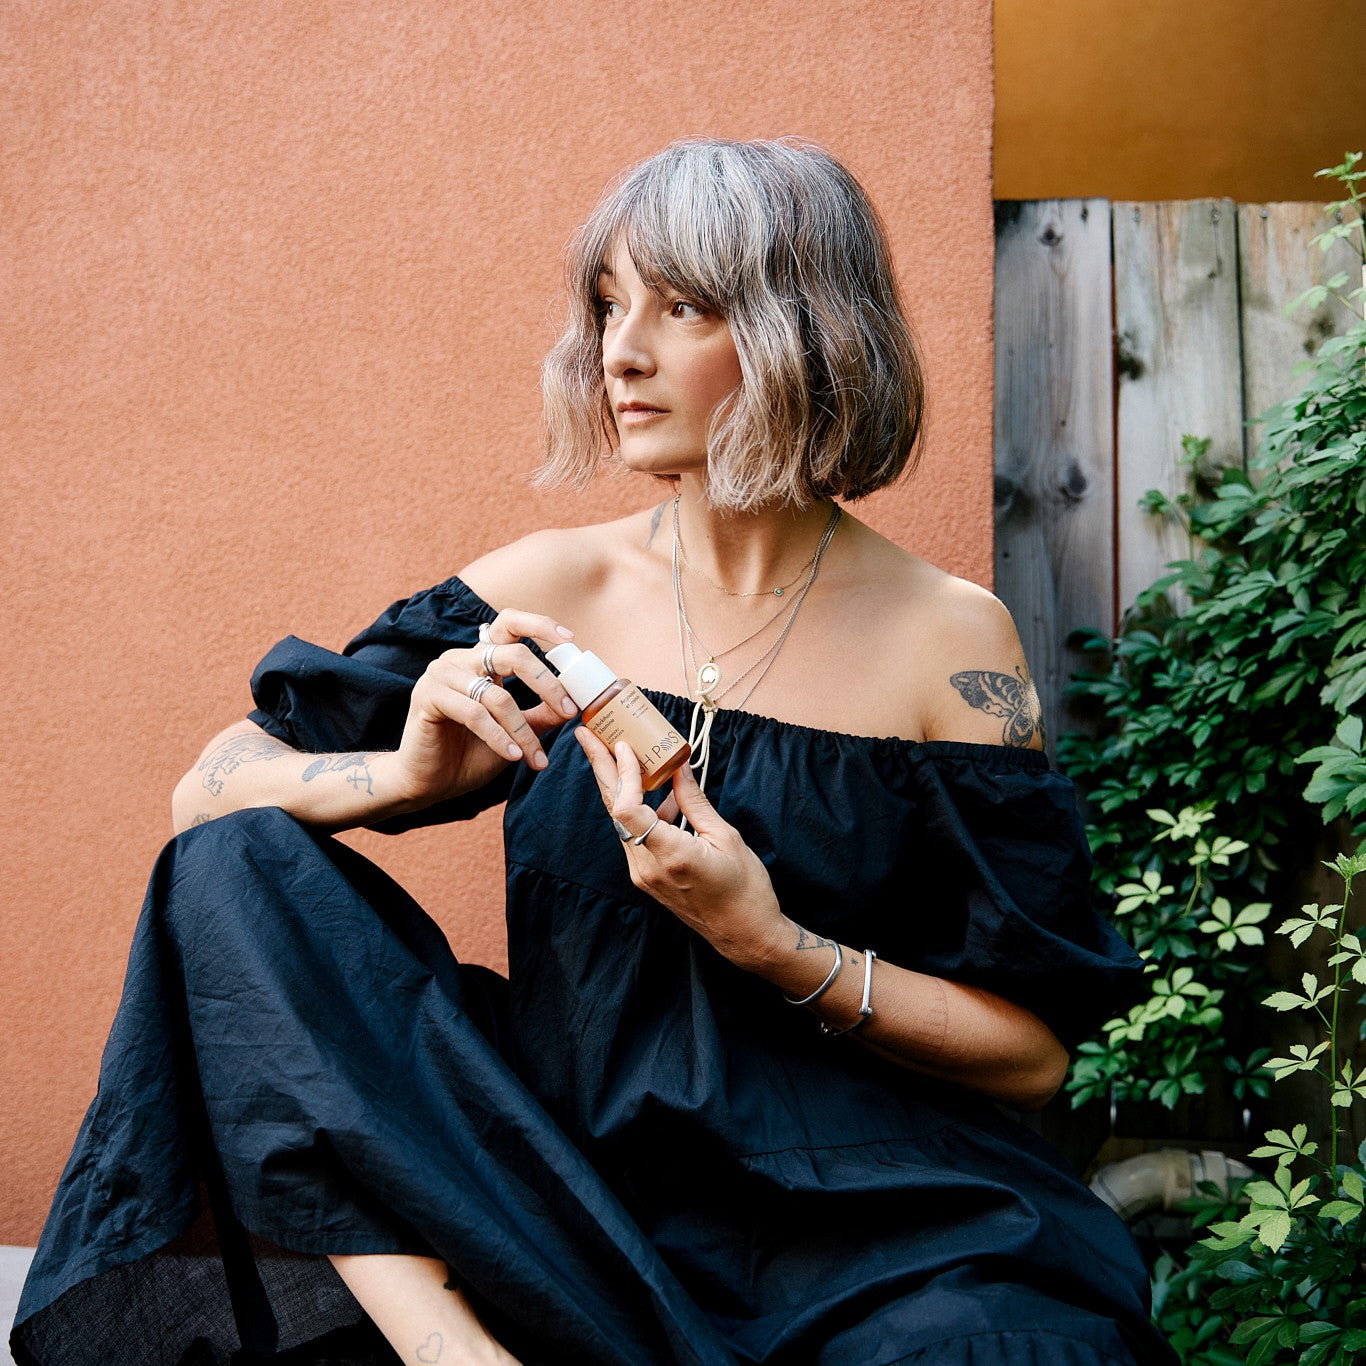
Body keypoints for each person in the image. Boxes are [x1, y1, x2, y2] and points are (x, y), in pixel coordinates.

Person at [12, 138, 1177, 1366]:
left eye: (681, 308)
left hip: (878, 1222)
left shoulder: (950, 641)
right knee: (229, 870)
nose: (618, 351)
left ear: (807, 333)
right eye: (610, 305)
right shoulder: (546, 592)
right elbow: (206, 791)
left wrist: (770, 942)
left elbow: (1031, 1056)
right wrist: (404, 777)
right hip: (575, 1190)